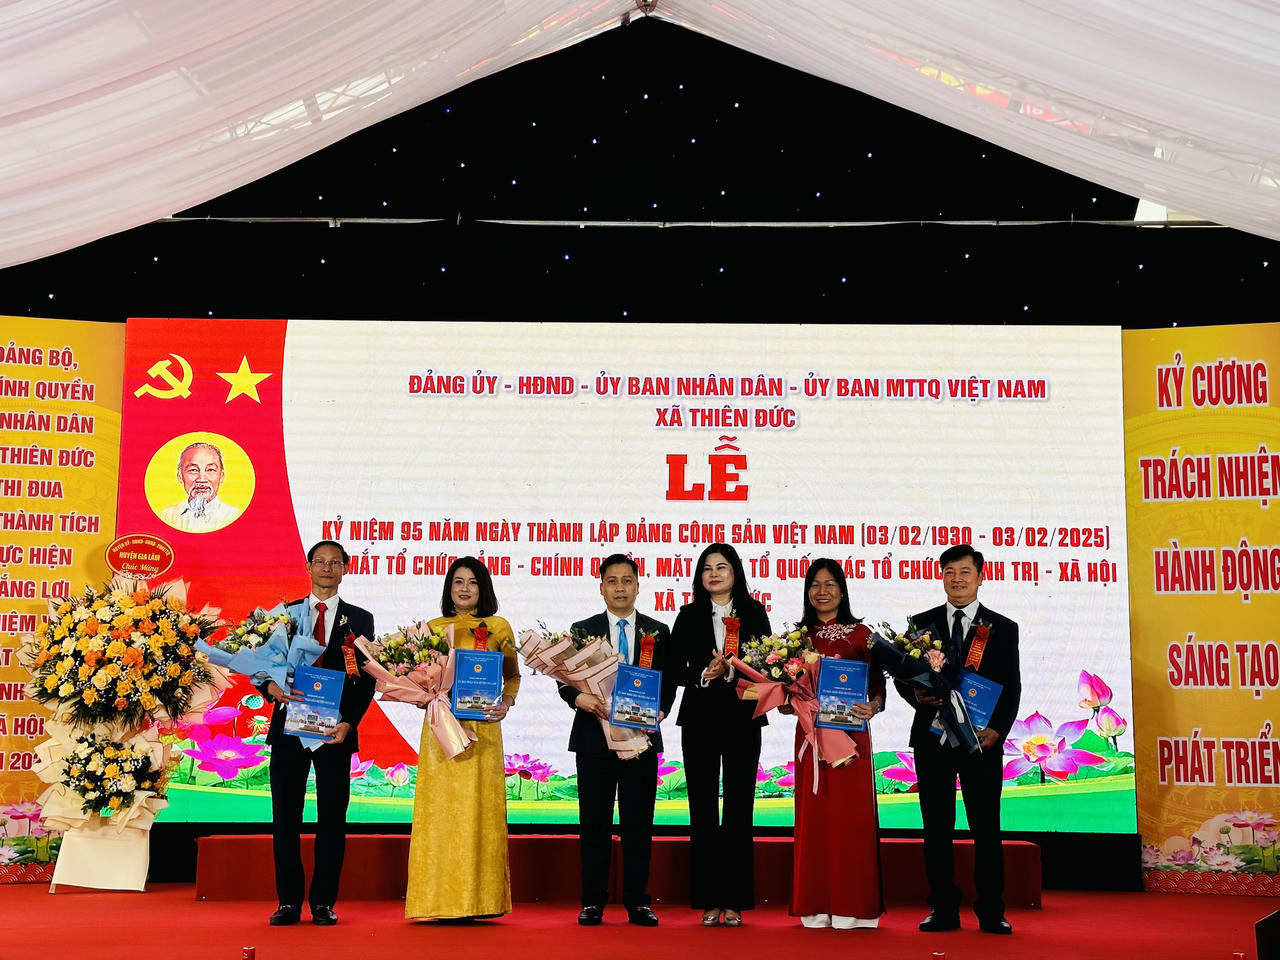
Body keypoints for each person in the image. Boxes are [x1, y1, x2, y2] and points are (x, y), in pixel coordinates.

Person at [895, 544, 1021, 935]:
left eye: (965, 572)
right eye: (949, 572)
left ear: (981, 577)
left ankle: (991, 910)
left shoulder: (1002, 627)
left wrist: (998, 731)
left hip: (981, 742)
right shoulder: (921, 624)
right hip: (933, 739)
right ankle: (943, 909)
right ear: (941, 577)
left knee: (986, 828)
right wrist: (916, 695)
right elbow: (902, 675)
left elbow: (1011, 686)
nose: (957, 579)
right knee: (936, 828)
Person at [260, 539, 376, 926]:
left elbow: (365, 678)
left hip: (334, 730)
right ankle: (288, 902)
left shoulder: (360, 620)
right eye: (320, 561)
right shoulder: (285, 614)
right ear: (308, 567)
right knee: (285, 819)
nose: (327, 568)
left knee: (332, 820)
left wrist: (349, 722)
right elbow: (262, 664)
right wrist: (269, 686)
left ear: (346, 568)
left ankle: (324, 902)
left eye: (335, 562)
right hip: (289, 728)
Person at [560, 554, 678, 927]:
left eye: (627, 581)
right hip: (593, 740)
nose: (620, 588)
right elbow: (565, 680)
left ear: (638, 586)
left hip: (641, 739)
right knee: (593, 823)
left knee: (638, 825)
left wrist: (661, 711)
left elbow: (669, 681)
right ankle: (592, 902)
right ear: (601, 588)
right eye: (612, 581)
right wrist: (578, 698)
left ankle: (637, 902)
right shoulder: (583, 630)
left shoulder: (658, 630)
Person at [405, 557, 520, 921]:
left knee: (480, 812)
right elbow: (416, 679)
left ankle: (479, 901)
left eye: (473, 582)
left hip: (484, 729)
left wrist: (507, 702)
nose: (465, 588)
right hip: (442, 728)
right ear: (449, 588)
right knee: (440, 812)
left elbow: (512, 676)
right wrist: (421, 695)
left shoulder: (499, 627)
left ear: (483, 588)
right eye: (458, 581)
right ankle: (437, 901)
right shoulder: (431, 629)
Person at [672, 542, 771, 927]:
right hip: (699, 718)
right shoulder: (688, 614)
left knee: (739, 808)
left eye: (722, 567)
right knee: (702, 808)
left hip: (743, 718)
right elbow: (674, 668)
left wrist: (732, 671)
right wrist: (704, 673)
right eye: (707, 568)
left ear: (735, 573)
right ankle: (708, 899)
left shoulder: (754, 612)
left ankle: (735, 899)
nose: (714, 574)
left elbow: (767, 665)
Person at [788, 559, 885, 929]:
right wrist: (788, 700)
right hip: (811, 737)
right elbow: (785, 691)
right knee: (814, 817)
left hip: (851, 739)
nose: (822, 591)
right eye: (815, 584)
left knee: (851, 817)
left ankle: (853, 905)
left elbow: (878, 687)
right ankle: (815, 903)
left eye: (830, 584)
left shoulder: (863, 635)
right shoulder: (796, 639)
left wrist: (874, 706)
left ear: (842, 591)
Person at [159, 441, 240, 532]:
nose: (201, 479)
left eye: (210, 470)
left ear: (221, 476)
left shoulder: (233, 515)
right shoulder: (167, 515)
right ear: (180, 476)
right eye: (193, 470)